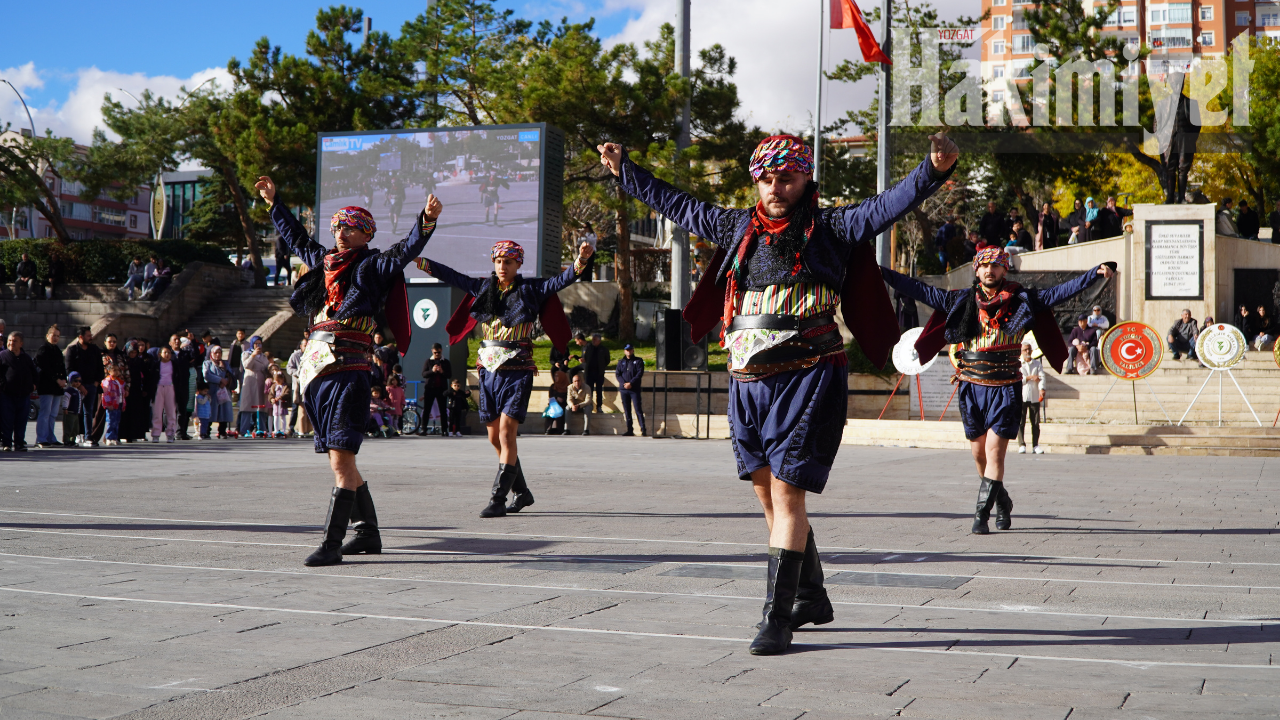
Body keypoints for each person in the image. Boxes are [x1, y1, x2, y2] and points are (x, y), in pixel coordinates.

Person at [602, 129, 957, 655]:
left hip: (807, 374)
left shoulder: (833, 225)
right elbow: (675, 202)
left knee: (788, 492)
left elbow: (888, 204)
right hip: (747, 379)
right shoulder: (736, 224)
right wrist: (626, 170)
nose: (775, 188)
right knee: (765, 492)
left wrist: (932, 170)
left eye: (786, 178)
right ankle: (811, 596)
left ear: (806, 177)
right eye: (766, 179)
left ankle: (777, 617)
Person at [258, 174, 440, 567]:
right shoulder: (323, 263)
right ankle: (369, 533)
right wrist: (274, 203)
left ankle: (331, 543)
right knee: (339, 460)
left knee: (341, 459)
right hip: (318, 372)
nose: (341, 232)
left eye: (351, 228)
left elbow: (406, 250)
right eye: (338, 226)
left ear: (366, 234)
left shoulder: (373, 265)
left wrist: (425, 221)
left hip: (349, 371)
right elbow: (297, 240)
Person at [882, 247, 1114, 537]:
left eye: (996, 266)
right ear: (976, 271)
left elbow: (1060, 292)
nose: (990, 270)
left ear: (1005, 270)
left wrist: (1094, 273)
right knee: (979, 454)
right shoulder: (960, 300)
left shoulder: (1022, 301)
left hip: (1005, 387)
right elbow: (918, 289)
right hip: (970, 387)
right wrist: (882, 273)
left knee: (995, 454)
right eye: (984, 265)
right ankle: (1002, 500)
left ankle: (981, 515)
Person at [415, 231, 594, 519]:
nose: (503, 266)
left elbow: (560, 281)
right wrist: (422, 261)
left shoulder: (531, 291)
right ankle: (522, 492)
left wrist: (581, 261)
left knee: (507, 433)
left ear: (518, 264)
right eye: (498, 260)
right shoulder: (482, 289)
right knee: (494, 438)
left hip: (517, 370)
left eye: (509, 261)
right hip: (487, 371)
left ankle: (498, 499)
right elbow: (453, 276)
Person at [64, 327, 104, 447]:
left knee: (89, 411)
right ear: (80, 337)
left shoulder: (94, 349)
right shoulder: (72, 350)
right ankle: (75, 435)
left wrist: (96, 383)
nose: (90, 337)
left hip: (92, 385)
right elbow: (69, 369)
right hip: (76, 387)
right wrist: (79, 385)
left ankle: (88, 436)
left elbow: (100, 367)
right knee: (75, 412)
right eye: (88, 335)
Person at [0, 332, 36, 451]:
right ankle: (7, 443)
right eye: (9, 340)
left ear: (21, 343)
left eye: (14, 341)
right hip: (7, 395)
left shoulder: (26, 358)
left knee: (21, 420)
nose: (11, 343)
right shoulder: (2, 356)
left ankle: (19, 443)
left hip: (23, 395)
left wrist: (33, 386)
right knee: (7, 419)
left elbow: (34, 374)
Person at [33, 324, 67, 449]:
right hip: (47, 385)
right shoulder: (43, 350)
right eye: (54, 335)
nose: (56, 338)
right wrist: (57, 379)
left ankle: (50, 437)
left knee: (53, 414)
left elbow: (62, 367)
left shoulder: (57, 350)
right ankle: (41, 438)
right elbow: (44, 368)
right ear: (48, 336)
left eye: (58, 336)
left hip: (57, 387)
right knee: (45, 412)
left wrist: (63, 379)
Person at [238, 336, 270, 437]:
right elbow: (246, 365)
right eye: (256, 343)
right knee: (247, 405)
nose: (258, 346)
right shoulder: (246, 353)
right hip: (250, 380)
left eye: (260, 343)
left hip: (261, 380)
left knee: (260, 406)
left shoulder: (264, 356)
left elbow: (267, 366)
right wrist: (253, 355)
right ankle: (244, 429)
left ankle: (261, 428)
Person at [419, 343, 452, 436]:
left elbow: (449, 375)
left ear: (441, 350)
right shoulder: (428, 361)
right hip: (430, 388)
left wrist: (442, 372)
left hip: (441, 388)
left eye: (438, 352)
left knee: (443, 410)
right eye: (435, 352)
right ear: (432, 351)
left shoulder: (445, 362)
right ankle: (424, 429)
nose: (437, 354)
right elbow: (424, 374)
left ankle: (444, 430)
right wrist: (432, 371)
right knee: (427, 409)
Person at [1017, 342, 1043, 455]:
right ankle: (1021, 444)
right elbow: (1018, 379)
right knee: (1021, 422)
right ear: (1021, 351)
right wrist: (1029, 377)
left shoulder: (1037, 364)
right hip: (1022, 396)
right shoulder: (1018, 364)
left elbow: (1042, 377)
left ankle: (1035, 445)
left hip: (1034, 395)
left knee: (1035, 422)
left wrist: (1042, 388)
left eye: (1029, 349)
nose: (1027, 352)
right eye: (1025, 350)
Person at [202, 346, 234, 439]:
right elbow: (207, 375)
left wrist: (226, 381)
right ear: (211, 354)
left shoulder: (225, 364)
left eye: (219, 352)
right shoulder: (207, 363)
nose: (218, 354)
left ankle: (222, 431)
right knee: (211, 411)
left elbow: (230, 374)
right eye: (216, 353)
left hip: (224, 390)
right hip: (212, 391)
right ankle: (206, 431)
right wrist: (220, 380)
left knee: (224, 410)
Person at [614, 343, 646, 436]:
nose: (628, 351)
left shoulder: (638, 361)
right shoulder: (621, 362)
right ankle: (629, 429)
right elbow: (618, 374)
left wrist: (631, 383)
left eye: (630, 350)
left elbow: (639, 374)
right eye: (627, 350)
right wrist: (624, 384)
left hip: (634, 389)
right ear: (624, 351)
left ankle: (643, 429)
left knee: (638, 409)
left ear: (633, 350)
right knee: (627, 410)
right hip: (624, 389)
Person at [151, 346, 179, 443]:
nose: (167, 354)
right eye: (165, 352)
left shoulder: (174, 364)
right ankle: (155, 434)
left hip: (170, 388)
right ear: (160, 354)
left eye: (169, 353)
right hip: (159, 388)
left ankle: (171, 433)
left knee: (171, 412)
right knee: (157, 412)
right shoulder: (156, 365)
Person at [583, 333, 610, 412]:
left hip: (599, 373)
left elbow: (607, 360)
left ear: (599, 340)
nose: (593, 341)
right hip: (589, 373)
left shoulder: (603, 349)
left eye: (595, 339)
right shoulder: (588, 348)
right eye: (592, 339)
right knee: (589, 390)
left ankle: (599, 406)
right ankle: (589, 405)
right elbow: (585, 357)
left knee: (599, 390)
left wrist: (601, 366)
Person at [100, 363, 126, 446]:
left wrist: (123, 403)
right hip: (112, 404)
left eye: (118, 370)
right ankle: (108, 437)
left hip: (119, 403)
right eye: (114, 370)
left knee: (117, 421)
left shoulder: (119, 381)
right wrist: (108, 403)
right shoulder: (107, 381)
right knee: (111, 421)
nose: (116, 372)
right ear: (109, 371)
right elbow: (106, 393)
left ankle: (114, 437)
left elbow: (122, 393)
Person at [286, 338, 306, 436]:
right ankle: (291, 427)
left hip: (308, 385)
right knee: (295, 407)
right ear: (301, 346)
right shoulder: (295, 355)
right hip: (297, 385)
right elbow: (289, 368)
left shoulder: (311, 355)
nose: (306, 347)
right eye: (305, 345)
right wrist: (297, 373)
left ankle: (306, 428)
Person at [63, 372, 86, 447]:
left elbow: (80, 400)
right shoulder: (69, 390)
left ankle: (72, 440)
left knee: (75, 428)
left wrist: (83, 395)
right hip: (70, 412)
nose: (77, 383)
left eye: (79, 381)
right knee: (68, 427)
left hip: (76, 413)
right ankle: (66, 440)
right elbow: (66, 399)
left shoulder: (78, 391)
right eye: (75, 381)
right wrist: (65, 408)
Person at [544, 369, 569, 435]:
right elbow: (550, 397)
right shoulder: (553, 386)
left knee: (560, 409)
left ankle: (559, 429)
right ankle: (549, 428)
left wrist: (563, 399)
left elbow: (568, 397)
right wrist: (556, 399)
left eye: (557, 376)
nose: (556, 378)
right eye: (555, 376)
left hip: (563, 404)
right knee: (553, 409)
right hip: (554, 403)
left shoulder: (567, 387)